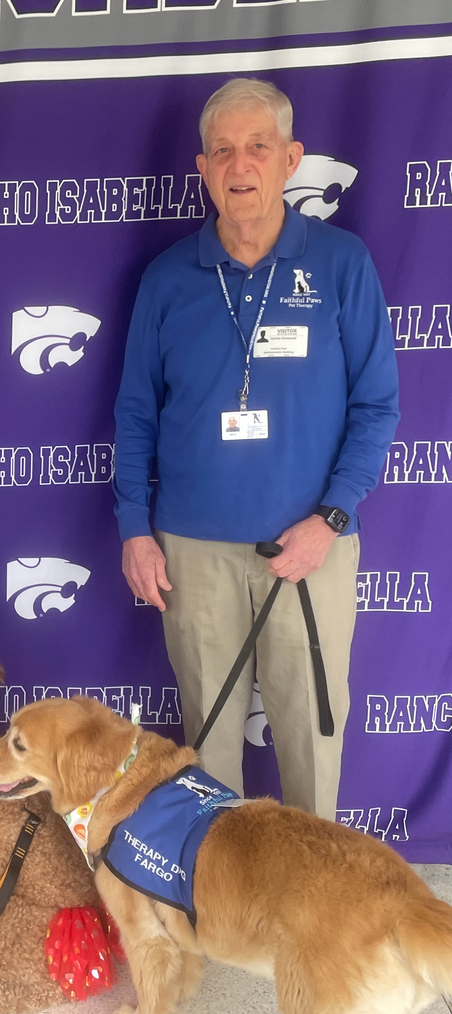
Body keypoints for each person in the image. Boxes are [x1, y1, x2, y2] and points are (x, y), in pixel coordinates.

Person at [112, 79, 399, 822]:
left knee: (311, 735)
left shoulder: (341, 264)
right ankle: (221, 903)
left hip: (310, 545)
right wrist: (134, 529)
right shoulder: (168, 278)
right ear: (204, 168)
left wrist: (330, 521)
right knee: (208, 748)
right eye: (224, 151)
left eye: (258, 148)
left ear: (291, 159)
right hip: (192, 551)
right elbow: (137, 412)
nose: (241, 166)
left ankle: (310, 913)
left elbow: (377, 407)